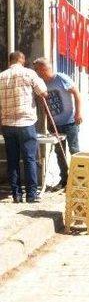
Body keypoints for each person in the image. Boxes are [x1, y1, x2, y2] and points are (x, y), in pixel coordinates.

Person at [0, 51, 48, 203]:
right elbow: (43, 92)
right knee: (29, 159)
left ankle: (16, 195)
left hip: (7, 124)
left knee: (12, 160)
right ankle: (31, 195)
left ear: (10, 61)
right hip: (26, 123)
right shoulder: (29, 73)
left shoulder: (1, 76)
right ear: (22, 60)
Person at [33, 57, 83, 190]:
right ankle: (65, 180)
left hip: (70, 121)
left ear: (43, 68)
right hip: (55, 123)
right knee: (59, 152)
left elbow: (77, 94)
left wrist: (78, 113)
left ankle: (79, 181)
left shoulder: (61, 78)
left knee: (74, 150)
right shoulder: (41, 83)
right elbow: (43, 104)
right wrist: (48, 121)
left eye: (37, 70)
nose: (36, 72)